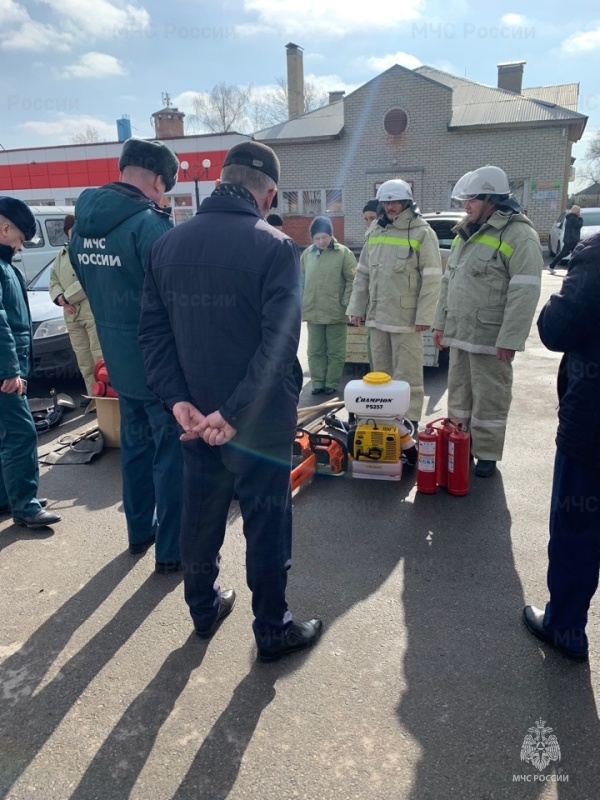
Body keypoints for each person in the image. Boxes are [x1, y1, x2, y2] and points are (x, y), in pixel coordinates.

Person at [139, 140, 322, 661]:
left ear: (223, 178)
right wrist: (233, 413)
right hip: (256, 424)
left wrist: (179, 403)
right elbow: (279, 344)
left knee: (200, 517)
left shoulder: (167, 245)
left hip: (195, 421)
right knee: (266, 523)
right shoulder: (275, 247)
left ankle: (202, 609)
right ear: (267, 194)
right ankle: (272, 629)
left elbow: (152, 335)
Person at [69, 138, 183, 574]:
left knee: (134, 447)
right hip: (159, 362)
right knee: (171, 454)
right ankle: (171, 550)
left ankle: (139, 532)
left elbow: (88, 283)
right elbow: (174, 297)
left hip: (118, 359)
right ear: (158, 180)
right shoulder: (149, 226)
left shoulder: (81, 226)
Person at [432, 165, 543, 477]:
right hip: (459, 332)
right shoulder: (465, 233)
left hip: (491, 337)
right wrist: (439, 325)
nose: (466, 206)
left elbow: (525, 291)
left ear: (492, 200)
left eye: (472, 200)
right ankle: (460, 443)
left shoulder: (519, 235)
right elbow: (448, 283)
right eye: (465, 200)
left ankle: (487, 454)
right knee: (459, 396)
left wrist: (510, 338)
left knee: (490, 398)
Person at [523, 232, 600, 662]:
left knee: (577, 529)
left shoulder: (595, 254)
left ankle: (566, 627)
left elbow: (556, 328)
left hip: (592, 426)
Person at [347, 179, 442, 425]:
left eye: (395, 201)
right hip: (377, 318)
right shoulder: (376, 231)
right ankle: (385, 421)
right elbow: (363, 274)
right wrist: (357, 308)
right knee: (380, 376)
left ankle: (408, 425)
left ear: (407, 202)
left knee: (408, 376)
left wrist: (424, 317)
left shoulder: (422, 232)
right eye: (386, 202)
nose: (391, 207)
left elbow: (432, 278)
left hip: (406, 320)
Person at [0, 197, 61, 528]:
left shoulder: (5, 264)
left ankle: (8, 498)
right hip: (4, 371)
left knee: (6, 435)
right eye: (21, 239)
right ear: (5, 227)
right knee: (20, 435)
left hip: (7, 367)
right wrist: (9, 371)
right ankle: (25, 506)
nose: (21, 247)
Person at [49, 214, 102, 401]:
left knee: (99, 358)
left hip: (90, 312)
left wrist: (67, 297)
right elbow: (53, 279)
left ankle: (104, 396)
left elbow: (88, 279)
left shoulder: (89, 252)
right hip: (71, 315)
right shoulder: (61, 255)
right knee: (83, 360)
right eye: (70, 231)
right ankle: (92, 397)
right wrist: (59, 299)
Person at [301, 216, 356, 395]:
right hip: (313, 312)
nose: (321, 241)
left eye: (324, 237)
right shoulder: (307, 254)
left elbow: (352, 280)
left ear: (331, 235)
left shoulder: (343, 253)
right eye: (316, 238)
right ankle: (317, 382)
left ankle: (331, 383)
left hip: (336, 312)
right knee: (315, 350)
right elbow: (300, 281)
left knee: (335, 351)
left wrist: (345, 302)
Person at [547, 205, 583, 274]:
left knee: (569, 254)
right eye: (579, 211)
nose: (579, 213)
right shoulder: (573, 219)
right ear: (576, 212)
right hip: (571, 240)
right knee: (572, 254)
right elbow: (579, 225)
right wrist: (581, 219)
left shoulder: (571, 218)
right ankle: (552, 266)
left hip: (570, 240)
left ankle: (551, 266)